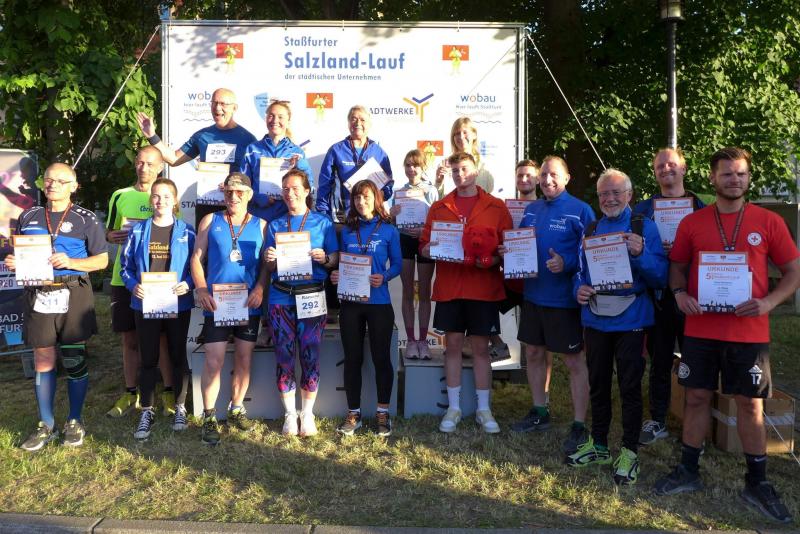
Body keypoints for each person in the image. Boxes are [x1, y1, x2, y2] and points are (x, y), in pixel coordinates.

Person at [653, 147, 799, 524]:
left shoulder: (768, 221)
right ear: (712, 178)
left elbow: (793, 270)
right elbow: (677, 268)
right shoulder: (693, 222)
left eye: (741, 174)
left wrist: (769, 302)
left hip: (749, 331)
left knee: (750, 404)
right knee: (696, 396)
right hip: (700, 328)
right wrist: (679, 294)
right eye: (727, 174)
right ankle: (688, 470)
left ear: (748, 178)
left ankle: (757, 481)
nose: (735, 180)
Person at [569, 168, 668, 486]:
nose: (609, 199)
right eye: (603, 194)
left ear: (629, 195)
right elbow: (579, 271)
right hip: (596, 318)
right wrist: (578, 290)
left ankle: (629, 451)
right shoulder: (592, 228)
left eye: (616, 193)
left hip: (632, 320)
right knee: (597, 383)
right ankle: (599, 444)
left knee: (629, 387)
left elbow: (660, 277)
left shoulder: (644, 227)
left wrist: (640, 253)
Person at [6, 163, 108, 450]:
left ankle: (75, 420)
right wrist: (14, 262)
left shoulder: (86, 218)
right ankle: (46, 424)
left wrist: (72, 262)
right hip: (38, 292)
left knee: (74, 357)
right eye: (48, 180)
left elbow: (102, 260)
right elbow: (19, 254)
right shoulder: (29, 215)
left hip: (73, 291)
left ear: (73, 186)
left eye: (60, 181)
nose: (52, 185)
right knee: (43, 358)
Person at [419, 152, 512, 434]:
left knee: (481, 349)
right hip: (450, 288)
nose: (460, 175)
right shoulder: (439, 207)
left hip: (483, 289)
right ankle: (454, 408)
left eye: (464, 169)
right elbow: (424, 246)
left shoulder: (496, 206)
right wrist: (431, 249)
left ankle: (484, 409)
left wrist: (493, 260)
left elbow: (506, 249)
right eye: (455, 171)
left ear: (475, 170)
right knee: (453, 347)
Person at [508, 157, 594, 457]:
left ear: (567, 178)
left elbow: (591, 254)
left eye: (554, 174)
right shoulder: (532, 209)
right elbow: (521, 245)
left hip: (564, 301)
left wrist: (566, 262)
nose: (547, 180)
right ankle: (539, 411)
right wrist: (509, 252)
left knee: (573, 361)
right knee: (533, 353)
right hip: (534, 296)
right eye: (543, 175)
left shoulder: (581, 210)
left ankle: (579, 424)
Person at [632, 147, 705, 445]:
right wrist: (653, 248)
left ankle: (695, 424)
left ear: (684, 168)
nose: (666, 169)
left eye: (671, 164)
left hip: (692, 297)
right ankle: (658, 420)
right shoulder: (642, 210)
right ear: (655, 172)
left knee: (694, 361)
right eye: (660, 166)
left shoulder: (702, 207)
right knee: (659, 360)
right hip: (658, 297)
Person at [190, 172, 267, 446]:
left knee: (244, 359)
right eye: (228, 192)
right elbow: (196, 259)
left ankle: (236, 408)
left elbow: (267, 265)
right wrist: (201, 289)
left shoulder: (262, 225)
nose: (233, 197)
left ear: (249, 195)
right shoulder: (211, 220)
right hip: (217, 303)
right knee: (214, 360)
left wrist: (260, 288)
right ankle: (209, 416)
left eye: (239, 192)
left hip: (248, 304)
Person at [264, 169, 338, 437]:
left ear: (307, 191)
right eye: (285, 189)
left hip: (312, 295)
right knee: (284, 355)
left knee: (310, 353)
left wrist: (324, 258)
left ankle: (307, 413)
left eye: (295, 188)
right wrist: (270, 259)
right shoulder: (275, 225)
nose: (290, 193)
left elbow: (335, 258)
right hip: (281, 297)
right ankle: (289, 414)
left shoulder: (323, 223)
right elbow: (269, 268)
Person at [120, 178, 195, 440]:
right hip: (145, 302)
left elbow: (199, 265)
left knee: (178, 355)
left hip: (178, 303)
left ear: (175, 201)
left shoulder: (187, 231)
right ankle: (147, 410)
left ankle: (180, 407)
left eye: (166, 196)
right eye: (156, 196)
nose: (160, 201)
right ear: (150, 199)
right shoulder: (138, 231)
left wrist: (189, 284)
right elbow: (125, 267)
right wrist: (133, 286)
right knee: (148, 357)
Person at [105, 146, 174, 418]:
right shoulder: (120, 195)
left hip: (159, 279)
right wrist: (113, 237)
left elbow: (175, 234)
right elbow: (109, 232)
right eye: (140, 162)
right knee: (130, 339)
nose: (144, 168)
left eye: (150, 164)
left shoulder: (165, 196)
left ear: (160, 167)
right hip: (125, 279)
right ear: (135, 163)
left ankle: (168, 390)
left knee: (162, 338)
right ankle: (130, 391)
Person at [239, 99, 313, 346]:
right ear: (265, 118)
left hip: (285, 220)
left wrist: (300, 166)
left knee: (284, 268)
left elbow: (308, 186)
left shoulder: (296, 152)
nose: (275, 120)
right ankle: (258, 323)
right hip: (258, 218)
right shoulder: (252, 149)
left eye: (281, 116)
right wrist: (260, 198)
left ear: (288, 120)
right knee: (258, 266)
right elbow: (242, 184)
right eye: (271, 115)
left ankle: (281, 324)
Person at [332, 180, 402, 436]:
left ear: (376, 199)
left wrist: (385, 276)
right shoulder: (347, 231)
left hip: (379, 303)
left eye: (366, 197)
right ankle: (354, 414)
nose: (361, 202)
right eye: (356, 198)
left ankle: (383, 413)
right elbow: (342, 262)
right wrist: (337, 275)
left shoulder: (389, 230)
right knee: (352, 359)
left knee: (381, 359)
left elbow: (397, 265)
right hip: (351, 304)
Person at [136, 87, 257, 224]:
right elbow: (174, 159)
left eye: (223, 104)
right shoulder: (202, 136)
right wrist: (152, 136)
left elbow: (254, 176)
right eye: (214, 103)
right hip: (207, 202)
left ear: (234, 108)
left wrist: (234, 184)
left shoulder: (248, 139)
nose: (217, 108)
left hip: (235, 204)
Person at [389, 149, 438, 360]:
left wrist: (424, 230)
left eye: (415, 165)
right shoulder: (399, 192)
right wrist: (391, 216)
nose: (411, 169)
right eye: (408, 165)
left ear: (423, 167)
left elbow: (437, 220)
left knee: (425, 292)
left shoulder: (431, 191)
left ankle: (423, 341)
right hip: (405, 241)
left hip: (425, 241)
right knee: (407, 291)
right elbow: (393, 223)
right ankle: (410, 340)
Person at [315, 105, 393, 221]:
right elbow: (324, 185)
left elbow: (388, 184)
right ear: (348, 123)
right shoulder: (336, 150)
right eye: (353, 119)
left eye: (362, 120)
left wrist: (382, 194)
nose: (358, 123)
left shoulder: (379, 152)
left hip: (372, 217)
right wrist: (323, 214)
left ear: (369, 124)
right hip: (343, 217)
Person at [434, 117, 495, 197]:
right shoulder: (445, 164)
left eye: (465, 132)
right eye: (457, 134)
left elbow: (490, 194)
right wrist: (438, 182)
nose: (461, 137)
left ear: (474, 135)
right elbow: (439, 198)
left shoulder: (484, 164)